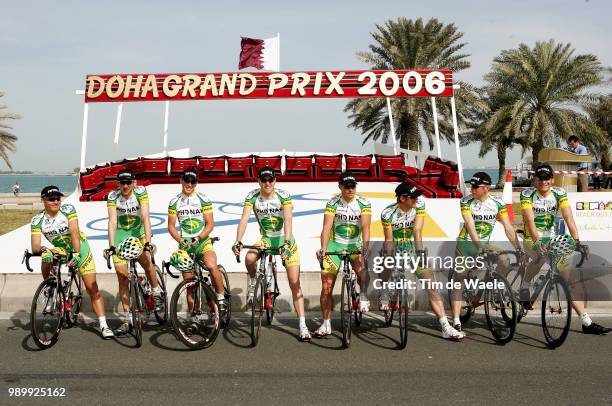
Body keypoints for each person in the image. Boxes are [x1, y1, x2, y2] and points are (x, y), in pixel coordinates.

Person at [520, 162, 611, 335]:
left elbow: (568, 217)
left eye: (547, 178)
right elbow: (530, 221)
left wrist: (577, 240)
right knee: (538, 258)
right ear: (535, 179)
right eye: (540, 178)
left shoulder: (559, 193)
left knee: (568, 280)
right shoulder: (527, 195)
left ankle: (586, 322)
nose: (543, 182)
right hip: (532, 237)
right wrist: (538, 242)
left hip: (553, 238)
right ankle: (524, 286)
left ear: (552, 180)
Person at [232, 166, 311, 341]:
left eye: (270, 180)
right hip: (267, 239)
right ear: (259, 181)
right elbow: (244, 219)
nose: (267, 183)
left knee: (294, 283)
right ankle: (254, 283)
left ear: (275, 181)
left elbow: (288, 220)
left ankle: (303, 325)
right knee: (250, 257)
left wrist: (288, 243)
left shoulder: (283, 195)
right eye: (264, 180)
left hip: (284, 239)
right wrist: (238, 240)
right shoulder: (252, 196)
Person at [380, 182, 464, 340]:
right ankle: (385, 290)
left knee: (431, 284)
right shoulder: (387, 213)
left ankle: (445, 326)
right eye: (413, 197)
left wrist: (420, 255)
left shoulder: (419, 204)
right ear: (403, 198)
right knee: (386, 260)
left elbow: (417, 231)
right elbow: (389, 239)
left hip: (413, 248)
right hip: (395, 246)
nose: (417, 199)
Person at [30, 186, 113, 339]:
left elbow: (74, 232)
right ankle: (50, 287)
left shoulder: (68, 210)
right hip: (60, 250)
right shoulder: (37, 220)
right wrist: (43, 249)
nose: (56, 201)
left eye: (58, 198)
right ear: (43, 201)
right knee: (46, 255)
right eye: (51, 199)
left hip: (80, 247)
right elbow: (35, 246)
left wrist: (76, 253)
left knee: (91, 287)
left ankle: (103, 325)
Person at [451, 172, 521, 333]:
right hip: (466, 243)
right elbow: (470, 225)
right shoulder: (466, 201)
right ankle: (455, 320)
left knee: (504, 259)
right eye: (471, 185)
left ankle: (495, 288)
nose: (472, 189)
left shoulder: (498, 203)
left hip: (485, 244)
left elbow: (508, 228)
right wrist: (479, 246)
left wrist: (518, 248)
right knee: (459, 279)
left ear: (486, 188)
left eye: (476, 186)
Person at [314, 172, 371, 337]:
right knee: (326, 287)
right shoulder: (333, 202)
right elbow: (326, 227)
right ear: (340, 187)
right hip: (335, 244)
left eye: (353, 186)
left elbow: (366, 227)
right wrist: (323, 248)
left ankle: (363, 295)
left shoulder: (363, 203)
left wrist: (365, 247)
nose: (350, 189)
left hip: (354, 244)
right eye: (347, 186)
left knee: (363, 273)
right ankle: (326, 324)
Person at [106, 170, 161, 336]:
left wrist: (148, 243)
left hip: (139, 231)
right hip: (122, 234)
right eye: (122, 182)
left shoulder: (141, 192)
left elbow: (145, 217)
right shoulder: (112, 196)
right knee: (122, 275)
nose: (125, 186)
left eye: (128, 182)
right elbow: (112, 221)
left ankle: (156, 291)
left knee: (145, 261)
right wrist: (111, 246)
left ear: (134, 182)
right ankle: (126, 319)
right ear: (118, 183)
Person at [167, 168, 226, 311]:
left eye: (193, 182)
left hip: (203, 242)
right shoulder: (174, 201)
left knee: (212, 266)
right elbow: (171, 226)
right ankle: (194, 317)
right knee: (189, 285)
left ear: (196, 183)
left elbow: (210, 224)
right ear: (181, 180)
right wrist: (181, 240)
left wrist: (199, 238)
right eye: (186, 180)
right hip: (185, 245)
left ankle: (221, 298)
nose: (189, 184)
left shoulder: (203, 199)